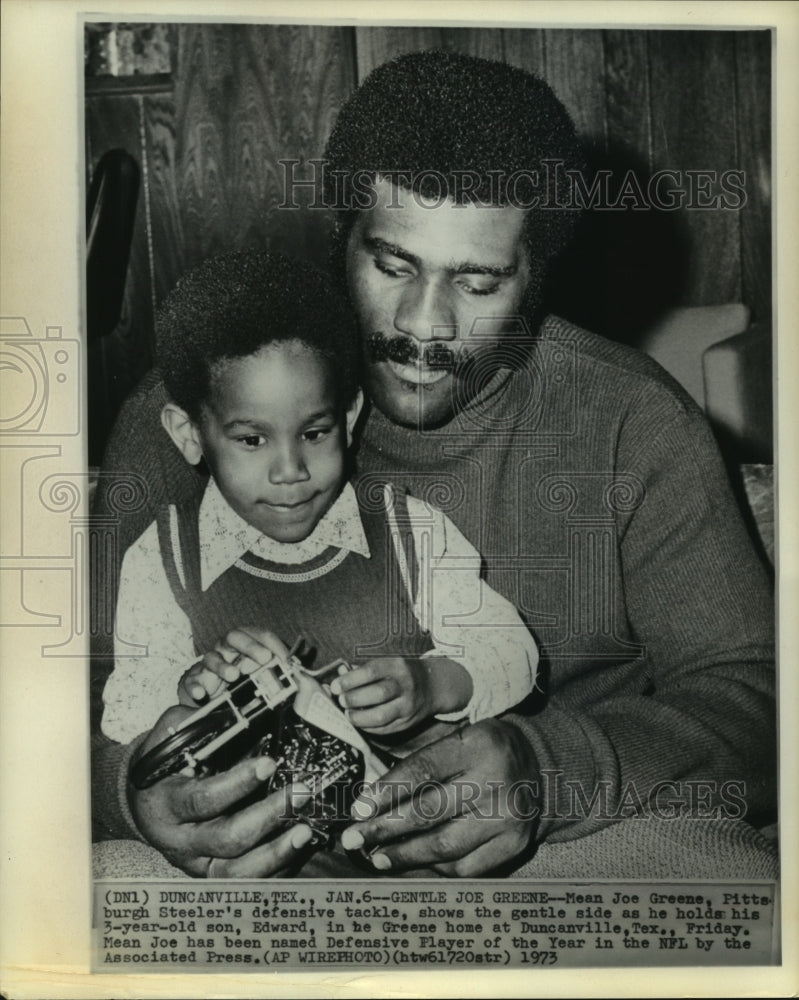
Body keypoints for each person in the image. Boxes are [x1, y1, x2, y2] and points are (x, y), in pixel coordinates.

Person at [91, 51, 776, 879]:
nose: (423, 324)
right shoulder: (191, 414)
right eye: (391, 266)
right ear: (339, 240)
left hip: (569, 846)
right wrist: (133, 787)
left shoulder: (630, 417)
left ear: (534, 282)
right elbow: (58, 698)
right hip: (261, 868)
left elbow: (758, 695)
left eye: (478, 282)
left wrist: (550, 770)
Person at [101, 249, 537, 749]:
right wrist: (190, 691)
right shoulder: (163, 560)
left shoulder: (409, 531)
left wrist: (432, 684)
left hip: (411, 805)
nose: (291, 472)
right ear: (189, 434)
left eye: (313, 434)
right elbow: (123, 713)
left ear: (349, 418)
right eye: (251, 440)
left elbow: (514, 652)